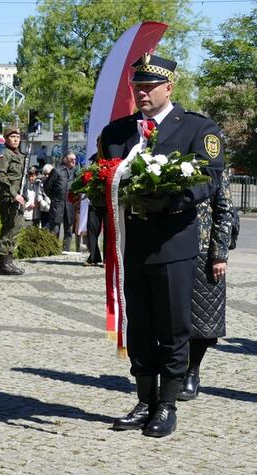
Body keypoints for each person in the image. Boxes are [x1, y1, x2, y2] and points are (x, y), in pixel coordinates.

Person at [102, 53, 224, 438]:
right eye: (137, 86)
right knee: (139, 325)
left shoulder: (195, 129)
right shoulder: (117, 133)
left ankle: (168, 404)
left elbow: (209, 178)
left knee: (173, 326)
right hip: (132, 243)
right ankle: (144, 398)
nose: (142, 92)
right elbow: (101, 176)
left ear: (168, 87)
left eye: (149, 86)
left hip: (174, 242)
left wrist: (172, 199)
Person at [180, 170, 232, 400]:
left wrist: (220, 254)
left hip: (204, 249)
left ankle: (193, 372)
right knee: (174, 314)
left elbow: (224, 211)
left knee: (203, 319)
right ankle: (175, 370)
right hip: (175, 247)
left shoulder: (216, 166)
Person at [0, 127, 26, 275]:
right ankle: (4, 263)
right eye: (12, 137)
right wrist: (13, 194)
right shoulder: (4, 155)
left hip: (18, 197)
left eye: (17, 137)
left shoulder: (19, 155)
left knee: (15, 229)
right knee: (8, 229)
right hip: (8, 198)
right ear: (6, 139)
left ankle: (9, 261)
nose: (15, 139)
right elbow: (1, 176)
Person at [44, 152, 77, 251]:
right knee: (55, 229)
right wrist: (53, 198)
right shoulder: (57, 171)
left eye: (75, 159)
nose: (74, 161)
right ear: (65, 160)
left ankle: (66, 251)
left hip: (70, 205)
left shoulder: (75, 172)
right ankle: (52, 251)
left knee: (68, 229)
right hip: (58, 204)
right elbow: (47, 187)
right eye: (71, 159)